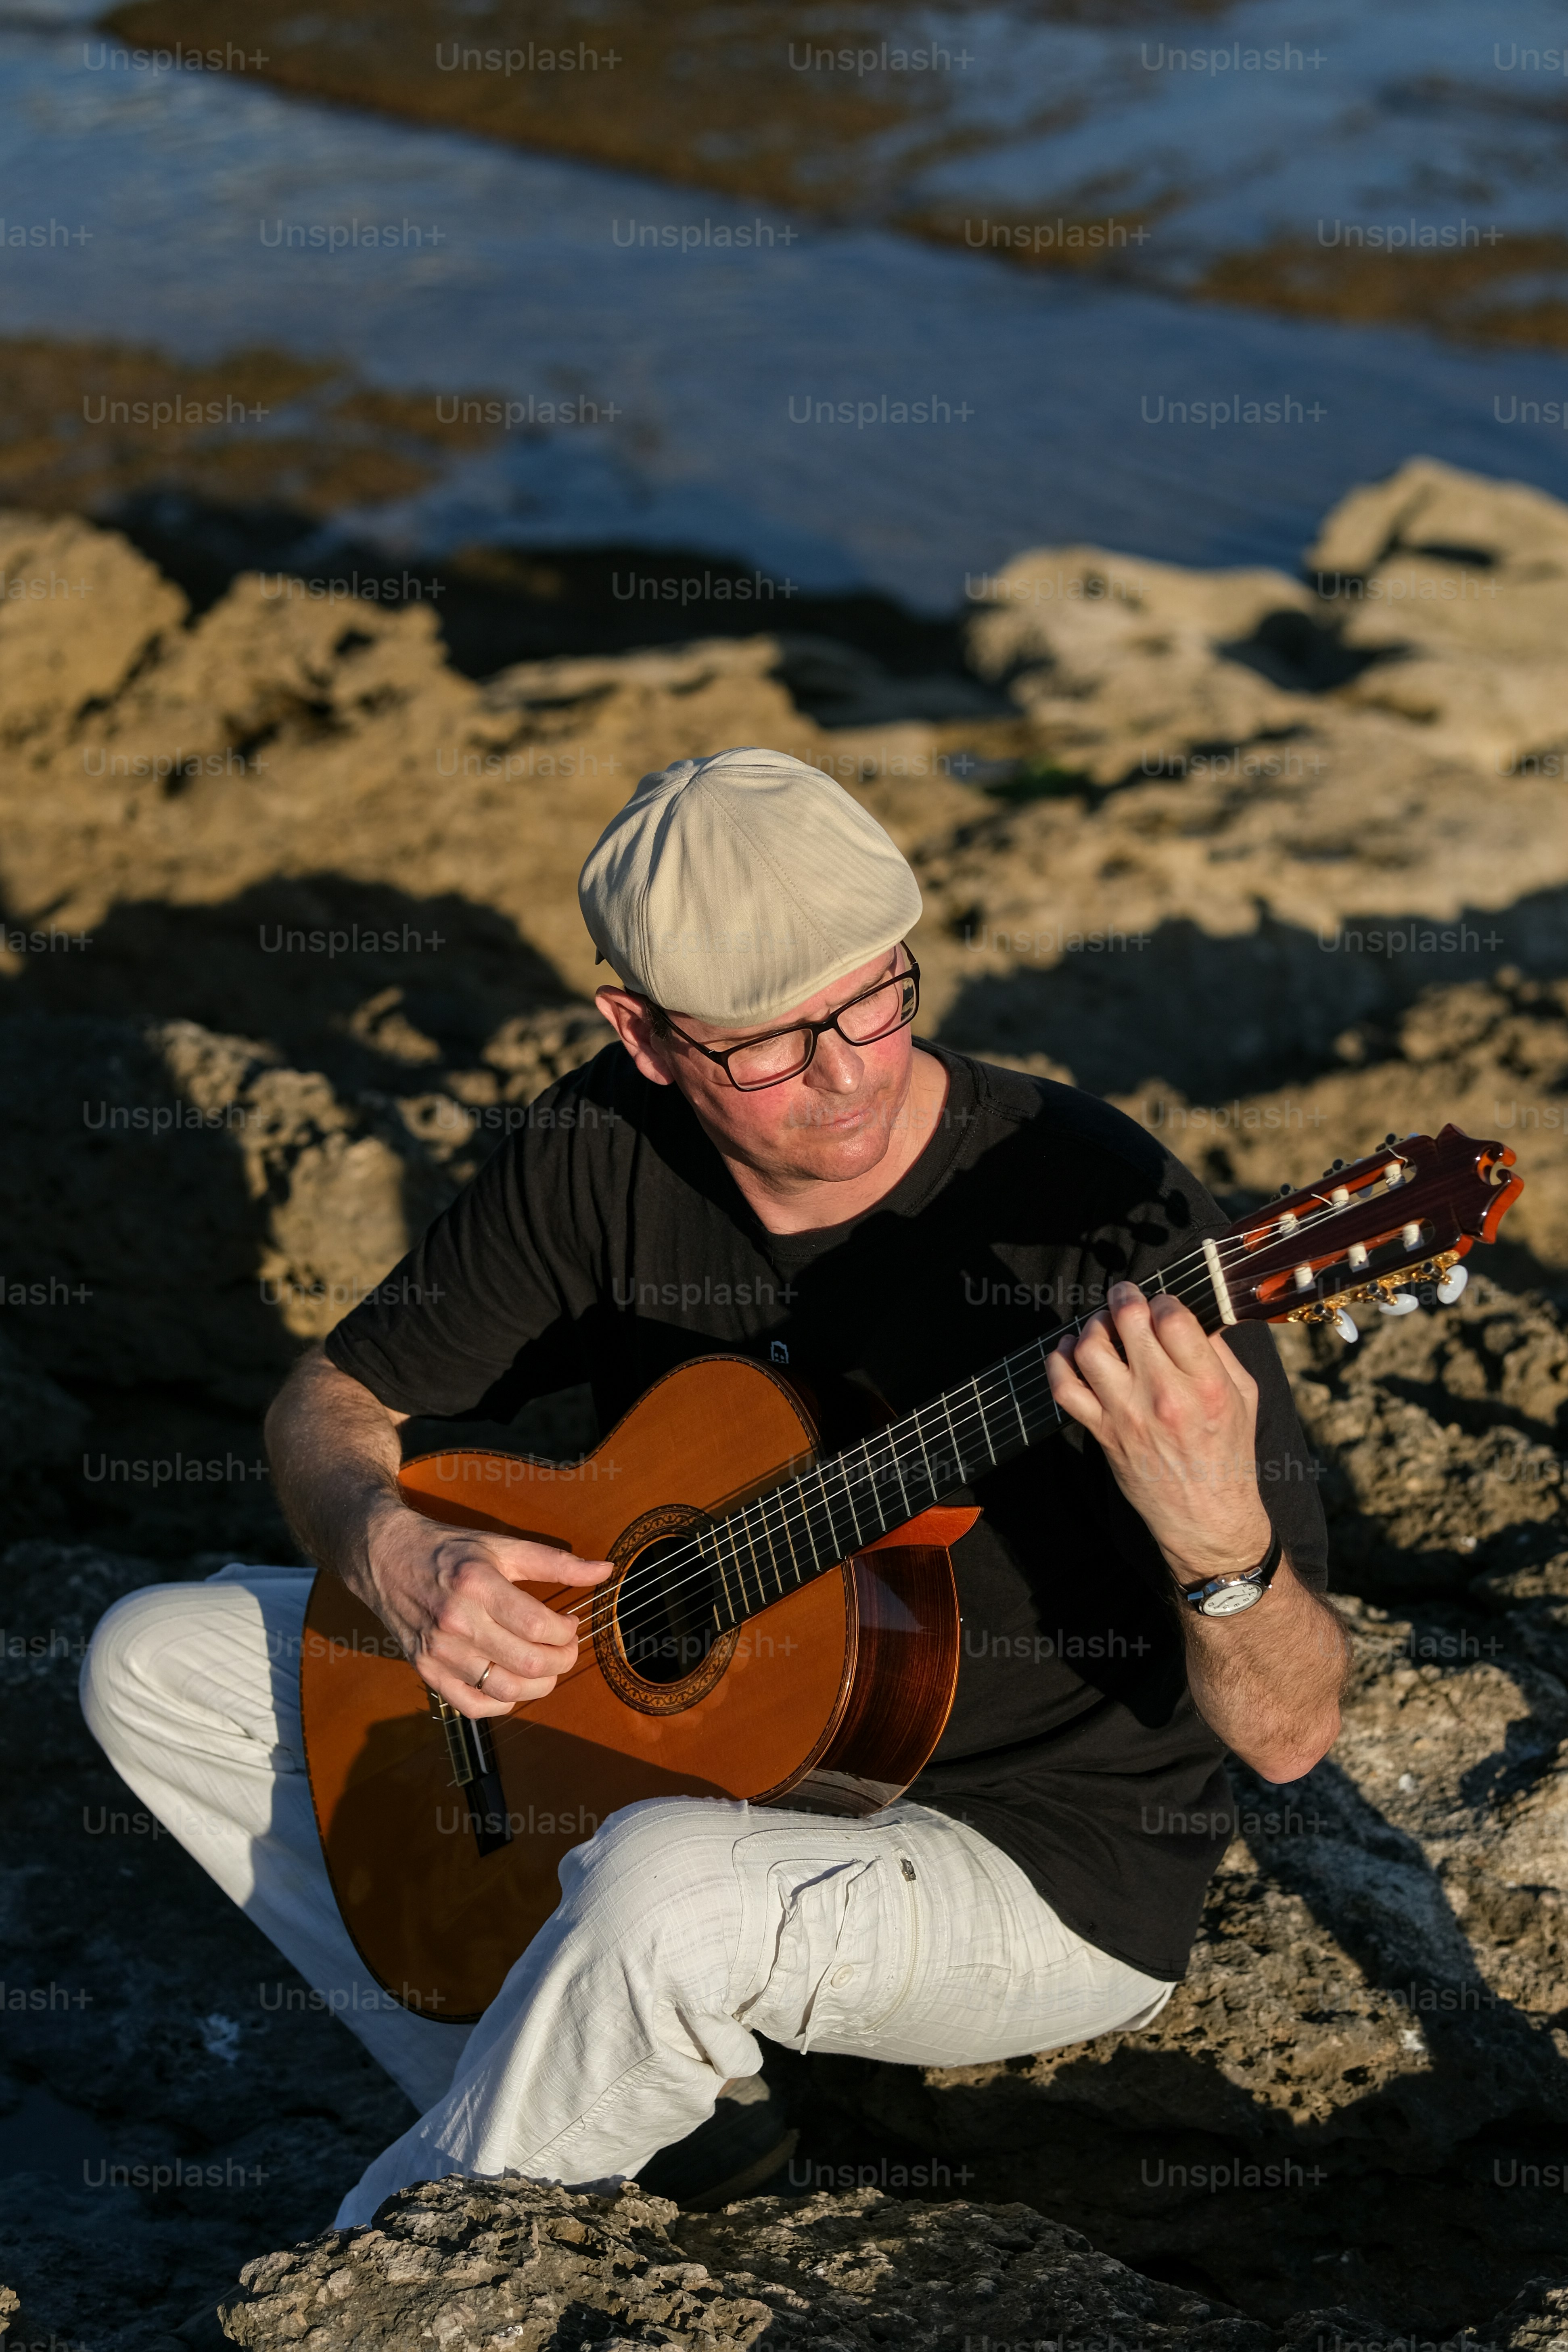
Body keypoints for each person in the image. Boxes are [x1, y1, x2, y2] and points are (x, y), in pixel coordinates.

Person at [82, 745, 1348, 2227]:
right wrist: (395, 1545)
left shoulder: (1098, 1219)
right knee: (151, 1663)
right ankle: (659, 2129)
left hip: (1030, 1859)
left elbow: (1293, 1733)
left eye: (877, 998)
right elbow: (336, 1400)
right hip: (681, 1764)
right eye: (766, 1044)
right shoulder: (599, 1152)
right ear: (643, 1032)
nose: (847, 1074)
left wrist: (1221, 1541)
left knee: (663, 1887)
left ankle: (414, 2260)